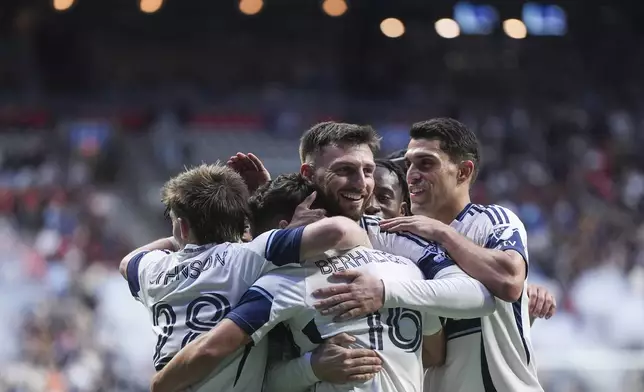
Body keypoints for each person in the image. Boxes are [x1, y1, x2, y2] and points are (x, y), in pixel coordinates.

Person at [227, 121, 496, 392]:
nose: (361, 184)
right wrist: (310, 367)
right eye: (345, 170)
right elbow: (257, 376)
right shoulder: (282, 246)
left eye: (367, 170)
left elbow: (478, 297)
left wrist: (384, 292)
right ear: (308, 174)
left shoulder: (393, 237)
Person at [313, 118, 551, 391]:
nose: (412, 173)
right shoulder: (401, 246)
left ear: (463, 172)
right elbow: (432, 352)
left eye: (426, 163)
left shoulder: (491, 219)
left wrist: (443, 233)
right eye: (409, 164)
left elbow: (510, 281)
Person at [150, 174, 446, 392]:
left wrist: (159, 383)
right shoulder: (406, 269)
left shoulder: (279, 284)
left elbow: (213, 351)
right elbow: (435, 352)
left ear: (283, 232)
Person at [118, 164, 377, 392]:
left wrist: (179, 236)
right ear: (243, 222)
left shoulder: (152, 268)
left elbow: (127, 261)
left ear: (182, 227)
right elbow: (339, 230)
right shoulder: (248, 255)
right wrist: (286, 231)